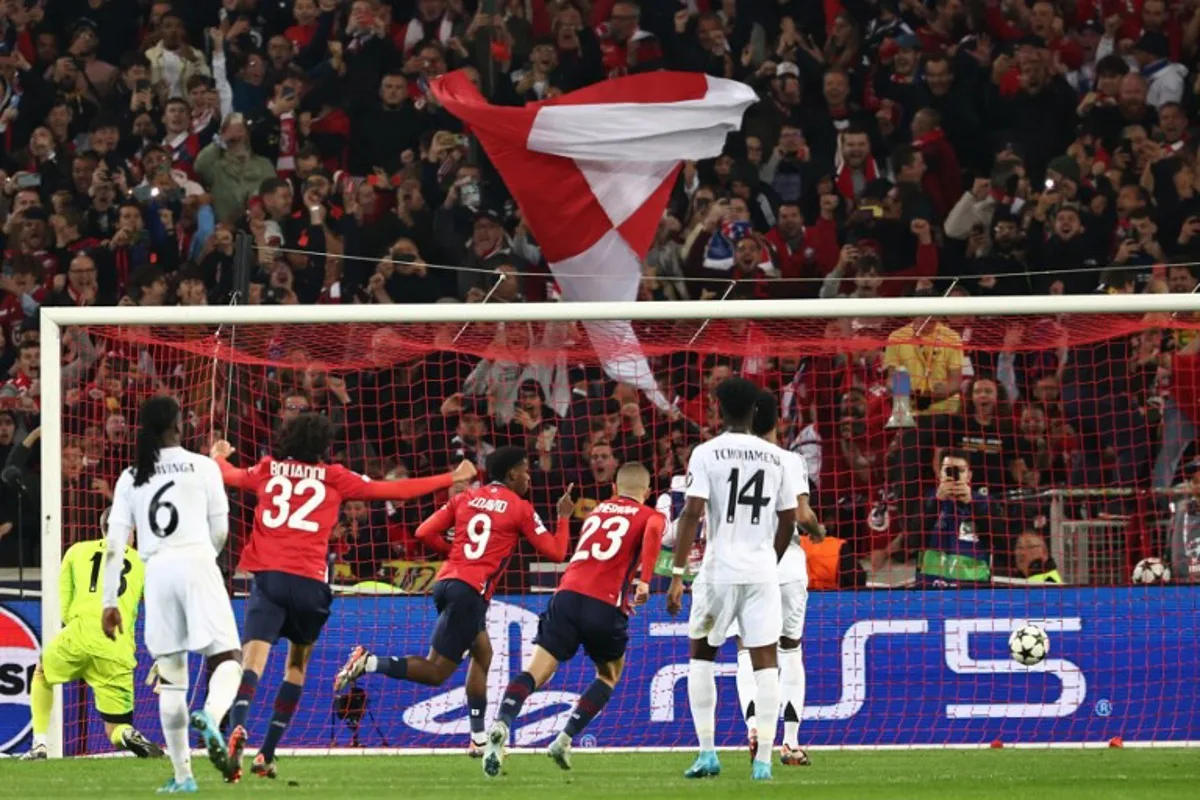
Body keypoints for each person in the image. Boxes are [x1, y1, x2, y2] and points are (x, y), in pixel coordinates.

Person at [208, 414, 476, 781]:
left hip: (268, 578)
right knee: (296, 667)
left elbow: (229, 476)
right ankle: (266, 753)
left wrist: (218, 455)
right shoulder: (335, 476)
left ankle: (237, 727)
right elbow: (394, 490)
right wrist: (452, 477)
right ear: (323, 446)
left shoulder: (267, 469)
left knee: (252, 662)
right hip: (309, 584)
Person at [333, 447, 574, 755]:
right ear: (512, 473)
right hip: (469, 593)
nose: (529, 476)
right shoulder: (520, 508)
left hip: (446, 583)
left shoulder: (465, 498)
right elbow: (556, 552)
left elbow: (422, 531)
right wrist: (564, 517)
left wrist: (454, 552)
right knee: (436, 673)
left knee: (483, 653)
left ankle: (477, 739)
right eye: (526, 469)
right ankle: (368, 662)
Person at [481, 461, 665, 776]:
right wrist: (645, 580)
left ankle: (502, 722)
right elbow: (653, 530)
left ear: (613, 490)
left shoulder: (597, 512)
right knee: (607, 676)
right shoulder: (650, 515)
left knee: (535, 672)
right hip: (605, 606)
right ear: (647, 493)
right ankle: (563, 740)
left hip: (565, 597)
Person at [101, 397, 243, 793]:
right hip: (197, 560)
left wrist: (109, 602)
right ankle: (213, 716)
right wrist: (203, 560)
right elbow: (220, 531)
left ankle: (183, 778)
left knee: (172, 679)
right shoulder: (204, 466)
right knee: (229, 657)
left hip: (157, 570)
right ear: (180, 425)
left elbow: (115, 543)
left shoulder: (131, 476)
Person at [666, 377, 800, 782]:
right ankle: (763, 763)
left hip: (718, 572)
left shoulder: (706, 453)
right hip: (761, 574)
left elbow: (691, 512)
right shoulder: (778, 457)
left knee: (702, 656)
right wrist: (768, 560)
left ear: (721, 409)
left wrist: (676, 575)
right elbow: (789, 518)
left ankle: (708, 752)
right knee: (766, 662)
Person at [19, 509, 161, 761]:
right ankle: (128, 733)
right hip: (116, 647)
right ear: (127, 531)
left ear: (103, 527)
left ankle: (39, 744)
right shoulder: (144, 563)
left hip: (79, 635)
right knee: (114, 728)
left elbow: (64, 605)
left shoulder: (76, 551)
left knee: (42, 673)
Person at [732, 390, 824, 767]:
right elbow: (802, 516)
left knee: (746, 651)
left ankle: (754, 725)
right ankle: (790, 741)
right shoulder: (790, 460)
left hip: (745, 566)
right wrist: (817, 530)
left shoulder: (729, 462)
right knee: (790, 650)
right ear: (778, 423)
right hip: (786, 566)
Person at [915, 449, 993, 588]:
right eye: (948, 470)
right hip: (931, 585)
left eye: (960, 471)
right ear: (939, 474)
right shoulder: (928, 501)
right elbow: (913, 538)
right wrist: (936, 503)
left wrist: (973, 505)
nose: (954, 476)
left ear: (969, 476)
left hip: (973, 588)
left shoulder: (984, 502)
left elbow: (999, 538)